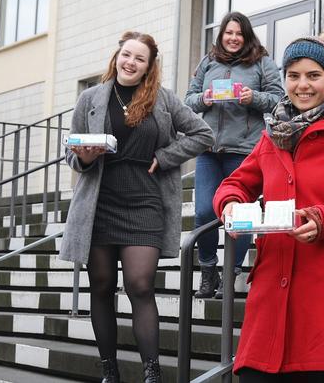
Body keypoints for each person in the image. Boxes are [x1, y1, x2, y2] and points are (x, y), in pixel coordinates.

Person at [212, 37, 324, 383]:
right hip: (269, 302)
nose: (302, 85)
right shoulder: (273, 135)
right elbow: (235, 183)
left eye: (313, 76)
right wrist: (231, 206)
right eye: (293, 75)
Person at [59, 32, 214, 383]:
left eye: (139, 59)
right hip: (99, 202)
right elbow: (71, 151)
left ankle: (151, 373)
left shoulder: (163, 99)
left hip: (145, 201)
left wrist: (165, 155)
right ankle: (109, 371)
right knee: (99, 285)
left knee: (140, 285)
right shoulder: (90, 98)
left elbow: (204, 134)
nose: (130, 62)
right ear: (117, 56)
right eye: (126, 54)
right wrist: (82, 157)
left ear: (148, 66)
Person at [185, 11, 284, 298]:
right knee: (205, 211)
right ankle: (207, 271)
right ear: (221, 35)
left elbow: (278, 99)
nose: (233, 38)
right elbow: (188, 100)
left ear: (247, 35)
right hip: (208, 150)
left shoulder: (262, 62)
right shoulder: (208, 61)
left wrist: (252, 97)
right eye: (229, 33)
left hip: (244, 151)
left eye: (239, 33)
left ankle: (230, 274)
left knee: (241, 216)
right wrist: (204, 98)